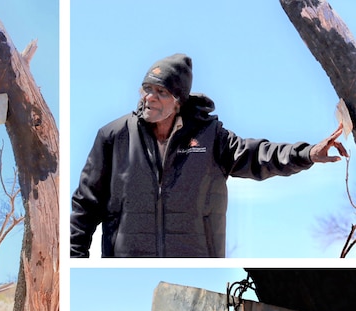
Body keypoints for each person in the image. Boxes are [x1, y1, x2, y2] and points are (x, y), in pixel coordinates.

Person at [70, 53, 348, 258]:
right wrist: (76, 262)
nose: (149, 98)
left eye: (161, 91)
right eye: (147, 89)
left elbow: (261, 156)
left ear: (178, 101)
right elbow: (84, 206)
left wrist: (308, 153)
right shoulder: (113, 136)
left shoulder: (211, 137)